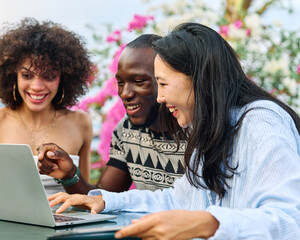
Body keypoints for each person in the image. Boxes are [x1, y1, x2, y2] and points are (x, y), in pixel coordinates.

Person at [48, 22, 300, 239]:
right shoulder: (209, 126)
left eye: (163, 83)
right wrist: (106, 200)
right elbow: (178, 201)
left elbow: (291, 221)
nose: (161, 97)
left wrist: (209, 223)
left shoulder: (261, 123)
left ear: (198, 78)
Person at [37, 34, 186, 194]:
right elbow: (104, 198)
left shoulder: (196, 133)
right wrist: (69, 174)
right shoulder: (127, 130)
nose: (125, 94)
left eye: (139, 82)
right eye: (121, 83)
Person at [0, 18, 93, 195]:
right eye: (27, 75)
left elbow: (85, 196)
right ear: (13, 76)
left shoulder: (82, 123)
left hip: (67, 221)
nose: (37, 86)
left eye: (49, 76)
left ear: (63, 79)